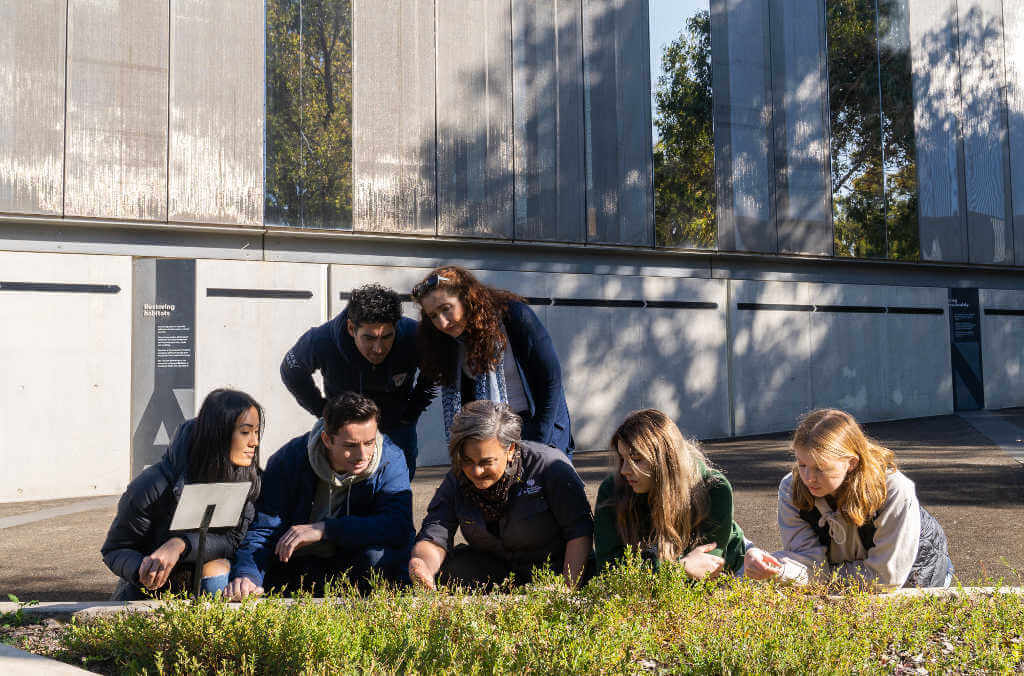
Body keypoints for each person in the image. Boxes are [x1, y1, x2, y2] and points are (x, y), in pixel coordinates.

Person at [227, 392, 413, 598]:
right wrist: (247, 575)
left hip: (356, 563)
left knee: (377, 558)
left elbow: (398, 526)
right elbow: (263, 530)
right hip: (298, 566)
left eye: (369, 443)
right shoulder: (289, 460)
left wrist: (325, 529)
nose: (363, 455)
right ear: (326, 439)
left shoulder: (391, 459)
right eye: (350, 446)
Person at [744, 409, 952, 589]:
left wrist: (820, 577)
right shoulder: (792, 488)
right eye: (802, 464)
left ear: (851, 463)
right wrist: (775, 567)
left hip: (917, 576)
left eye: (820, 468)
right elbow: (807, 563)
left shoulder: (894, 489)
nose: (808, 478)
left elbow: (885, 579)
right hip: (851, 575)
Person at [408, 401, 593, 590]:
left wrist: (566, 591)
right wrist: (422, 565)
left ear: (510, 450)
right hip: (497, 571)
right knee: (452, 572)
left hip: (552, 571)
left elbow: (579, 532)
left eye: (486, 462)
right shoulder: (457, 477)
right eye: (467, 460)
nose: (476, 471)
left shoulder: (549, 467)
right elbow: (435, 533)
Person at [102, 389, 263, 600]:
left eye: (256, 432)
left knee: (218, 570)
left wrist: (181, 544)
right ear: (218, 434)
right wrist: (142, 568)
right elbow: (116, 548)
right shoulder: (153, 485)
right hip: (149, 596)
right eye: (245, 432)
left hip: (208, 585)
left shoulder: (246, 480)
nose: (254, 442)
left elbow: (232, 540)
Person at [411, 266, 573, 454]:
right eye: (433, 316)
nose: (443, 322)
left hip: (538, 426)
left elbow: (551, 380)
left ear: (466, 298)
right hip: (491, 435)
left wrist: (539, 441)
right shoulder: (446, 343)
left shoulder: (515, 316)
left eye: (446, 308)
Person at [281, 283, 436, 478]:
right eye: (369, 338)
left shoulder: (414, 336)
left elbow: (436, 369)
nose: (378, 349)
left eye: (387, 337)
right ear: (351, 328)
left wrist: (412, 411)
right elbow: (290, 371)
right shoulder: (321, 340)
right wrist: (323, 411)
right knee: (345, 493)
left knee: (398, 488)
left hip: (397, 425)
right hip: (345, 430)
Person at [593, 409, 746, 578]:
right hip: (662, 577)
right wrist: (680, 568)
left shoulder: (715, 488)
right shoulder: (611, 491)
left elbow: (704, 571)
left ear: (665, 460)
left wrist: (672, 569)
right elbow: (608, 573)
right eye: (622, 459)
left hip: (730, 567)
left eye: (636, 460)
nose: (624, 470)